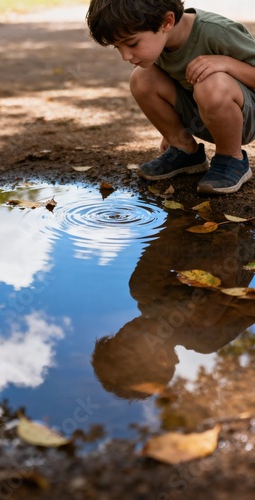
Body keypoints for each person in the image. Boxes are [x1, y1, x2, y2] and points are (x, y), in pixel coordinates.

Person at [86, 0, 255, 194]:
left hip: (245, 118)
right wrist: (172, 132)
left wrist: (227, 63)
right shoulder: (158, 43)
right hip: (203, 115)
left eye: (132, 43)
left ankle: (232, 159)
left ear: (167, 21)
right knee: (142, 77)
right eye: (118, 47)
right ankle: (185, 151)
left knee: (212, 83)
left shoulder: (217, 32)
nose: (125, 56)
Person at [91, 211, 255, 400]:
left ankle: (185, 214)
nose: (127, 331)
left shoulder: (146, 293)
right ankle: (227, 219)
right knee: (204, 320)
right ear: (163, 359)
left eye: (119, 337)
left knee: (141, 289)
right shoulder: (205, 337)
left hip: (195, 233)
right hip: (242, 242)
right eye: (129, 347)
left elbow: (166, 243)